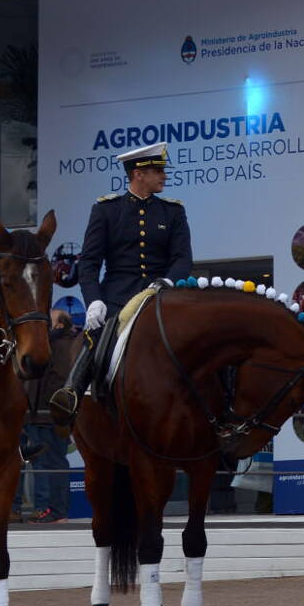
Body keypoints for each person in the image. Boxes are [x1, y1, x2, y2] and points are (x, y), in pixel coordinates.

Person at [50, 142, 193, 423]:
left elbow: (183, 259)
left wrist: (166, 280)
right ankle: (71, 393)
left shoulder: (173, 212)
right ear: (138, 174)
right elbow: (90, 263)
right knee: (97, 339)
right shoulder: (106, 210)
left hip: (159, 295)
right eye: (158, 171)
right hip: (117, 297)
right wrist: (94, 301)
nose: (165, 176)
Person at [17, 308, 80, 523]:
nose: (45, 324)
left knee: (50, 463)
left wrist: (43, 409)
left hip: (48, 417)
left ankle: (54, 511)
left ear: (60, 325)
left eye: (50, 321)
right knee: (43, 462)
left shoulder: (62, 346)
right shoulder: (50, 344)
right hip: (37, 416)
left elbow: (58, 382)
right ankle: (49, 510)